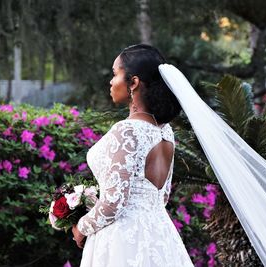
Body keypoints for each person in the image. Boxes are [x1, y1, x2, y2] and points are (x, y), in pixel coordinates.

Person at [71, 44, 194, 267]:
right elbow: (162, 196)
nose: (110, 81)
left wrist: (81, 227)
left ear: (134, 82)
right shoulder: (165, 132)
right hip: (160, 234)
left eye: (115, 73)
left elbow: (113, 204)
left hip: (122, 241)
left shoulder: (127, 131)